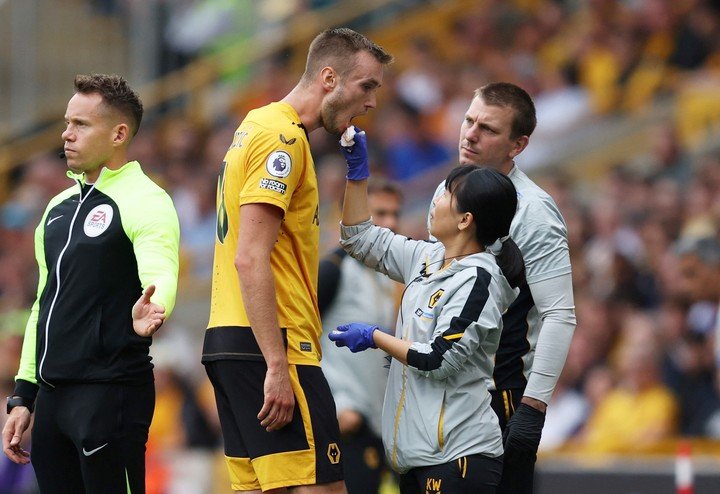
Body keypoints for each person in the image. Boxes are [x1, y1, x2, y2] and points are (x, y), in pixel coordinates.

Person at [201, 28, 393, 493]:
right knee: (324, 487)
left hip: (231, 337)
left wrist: (357, 177)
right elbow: (251, 257)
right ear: (329, 78)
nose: (371, 102)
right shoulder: (283, 141)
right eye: (366, 86)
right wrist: (275, 364)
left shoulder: (258, 124)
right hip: (275, 343)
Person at [1, 73, 180, 494]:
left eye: (80, 125)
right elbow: (43, 304)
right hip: (52, 400)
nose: (66, 135)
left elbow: (161, 270)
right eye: (67, 123)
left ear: (119, 133)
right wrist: (23, 395)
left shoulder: (147, 200)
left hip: (110, 393)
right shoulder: (58, 207)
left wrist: (155, 305)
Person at [330, 135, 526, 493]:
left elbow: (439, 358)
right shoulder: (426, 257)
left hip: (459, 457)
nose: (435, 201)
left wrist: (375, 337)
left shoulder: (479, 279)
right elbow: (358, 238)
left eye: (446, 195)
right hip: (415, 458)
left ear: (466, 219)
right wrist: (357, 175)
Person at [427, 82, 576, 493]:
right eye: (468, 120)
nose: (470, 134)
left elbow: (559, 313)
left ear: (518, 145)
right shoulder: (448, 191)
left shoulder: (534, 213)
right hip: (439, 387)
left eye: (488, 129)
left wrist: (532, 408)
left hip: (497, 394)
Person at [318, 178, 403, 494]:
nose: (390, 223)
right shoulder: (333, 271)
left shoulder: (385, 276)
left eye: (395, 213)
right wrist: (334, 405)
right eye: (379, 214)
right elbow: (293, 338)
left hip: (375, 426)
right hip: (342, 422)